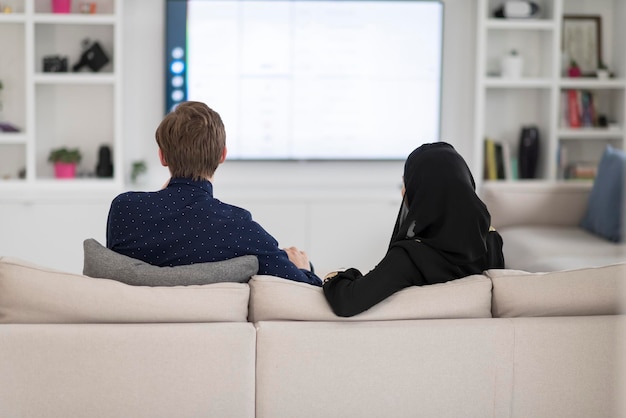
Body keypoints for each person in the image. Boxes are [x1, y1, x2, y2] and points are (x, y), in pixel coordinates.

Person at [106, 101, 321, 286]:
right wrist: (305, 270)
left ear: (162, 156)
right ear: (222, 155)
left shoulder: (125, 210)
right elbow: (303, 289)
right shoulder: (238, 227)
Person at [323, 142, 504, 316]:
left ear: (421, 191)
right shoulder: (490, 240)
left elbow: (348, 302)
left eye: (406, 184)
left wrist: (337, 275)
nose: (403, 192)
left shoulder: (410, 258)